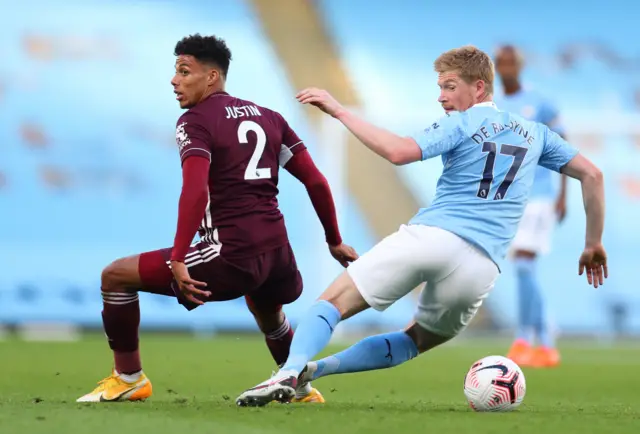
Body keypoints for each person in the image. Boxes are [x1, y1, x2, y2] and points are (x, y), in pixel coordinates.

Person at [235, 45, 607, 407]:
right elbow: (592, 174)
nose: (441, 97)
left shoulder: (461, 122)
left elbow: (398, 152)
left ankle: (291, 369)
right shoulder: (535, 133)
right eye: (440, 88)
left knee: (332, 303)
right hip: (481, 267)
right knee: (416, 340)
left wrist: (339, 110)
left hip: (431, 238)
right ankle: (313, 372)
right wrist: (592, 243)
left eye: (449, 86)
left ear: (479, 88)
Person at [76, 34, 358, 403]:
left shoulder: (195, 121)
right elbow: (316, 181)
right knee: (268, 310)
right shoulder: (270, 118)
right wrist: (334, 240)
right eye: (175, 72)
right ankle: (298, 384)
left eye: (184, 71)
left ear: (212, 77)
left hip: (231, 253)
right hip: (278, 256)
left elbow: (195, 191)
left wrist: (178, 257)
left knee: (115, 277)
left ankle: (129, 378)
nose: (174, 81)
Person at [494, 45, 568, 367]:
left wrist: (563, 194)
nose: (506, 68)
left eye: (511, 62)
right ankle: (546, 340)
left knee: (524, 262)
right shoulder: (493, 106)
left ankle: (525, 337)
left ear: (520, 66)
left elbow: (563, 148)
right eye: (501, 62)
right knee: (524, 267)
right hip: (510, 197)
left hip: (539, 195)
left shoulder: (540, 103)